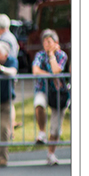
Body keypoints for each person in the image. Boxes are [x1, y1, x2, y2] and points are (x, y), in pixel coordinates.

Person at [31, 29, 68, 165]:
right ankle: (41, 132)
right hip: (43, 89)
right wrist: (50, 75)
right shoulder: (40, 55)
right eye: (44, 42)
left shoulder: (62, 55)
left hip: (59, 93)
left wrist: (52, 55)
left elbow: (57, 70)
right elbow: (35, 70)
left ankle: (51, 154)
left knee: (55, 126)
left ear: (56, 43)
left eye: (49, 42)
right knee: (39, 103)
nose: (46, 45)